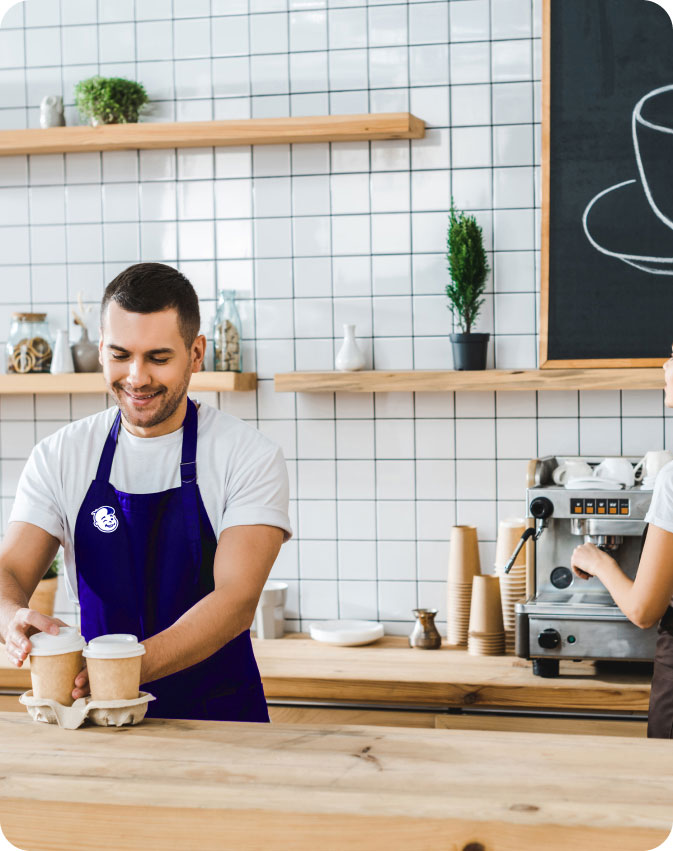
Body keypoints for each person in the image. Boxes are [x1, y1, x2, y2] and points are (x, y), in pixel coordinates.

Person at [0, 263, 292, 722]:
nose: (136, 377)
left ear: (196, 353)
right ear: (100, 350)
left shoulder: (248, 456)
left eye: (158, 357)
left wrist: (121, 668)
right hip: (98, 720)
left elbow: (235, 601)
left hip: (221, 725)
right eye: (120, 355)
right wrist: (9, 616)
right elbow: (10, 570)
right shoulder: (60, 456)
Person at [571, 348, 673, 738]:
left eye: (672, 356)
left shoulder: (671, 479)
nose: (664, 366)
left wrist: (599, 562)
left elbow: (644, 610)